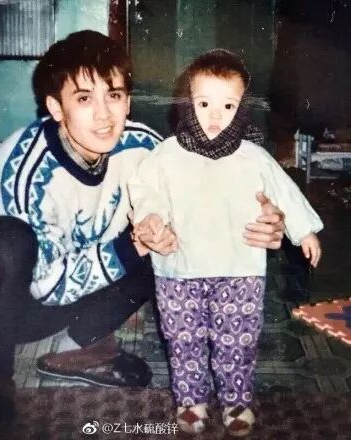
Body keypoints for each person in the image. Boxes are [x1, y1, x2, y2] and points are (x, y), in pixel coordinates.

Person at [0, 32, 284, 438]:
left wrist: (265, 220)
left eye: (113, 95)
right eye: (84, 98)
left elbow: (207, 194)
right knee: (10, 238)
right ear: (55, 107)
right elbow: (49, 287)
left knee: (168, 231)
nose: (103, 115)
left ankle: (82, 347)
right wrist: (134, 244)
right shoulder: (22, 171)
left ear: (128, 101)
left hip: (58, 308)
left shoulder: (146, 149)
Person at [128, 49, 323, 437]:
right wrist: (150, 217)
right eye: (204, 104)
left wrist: (304, 230)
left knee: (238, 341)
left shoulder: (254, 157)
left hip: (240, 270)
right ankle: (191, 401)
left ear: (241, 108)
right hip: (179, 270)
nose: (215, 116)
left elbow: (284, 191)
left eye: (228, 106)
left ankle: (236, 401)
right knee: (183, 340)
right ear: (187, 103)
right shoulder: (165, 155)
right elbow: (146, 191)